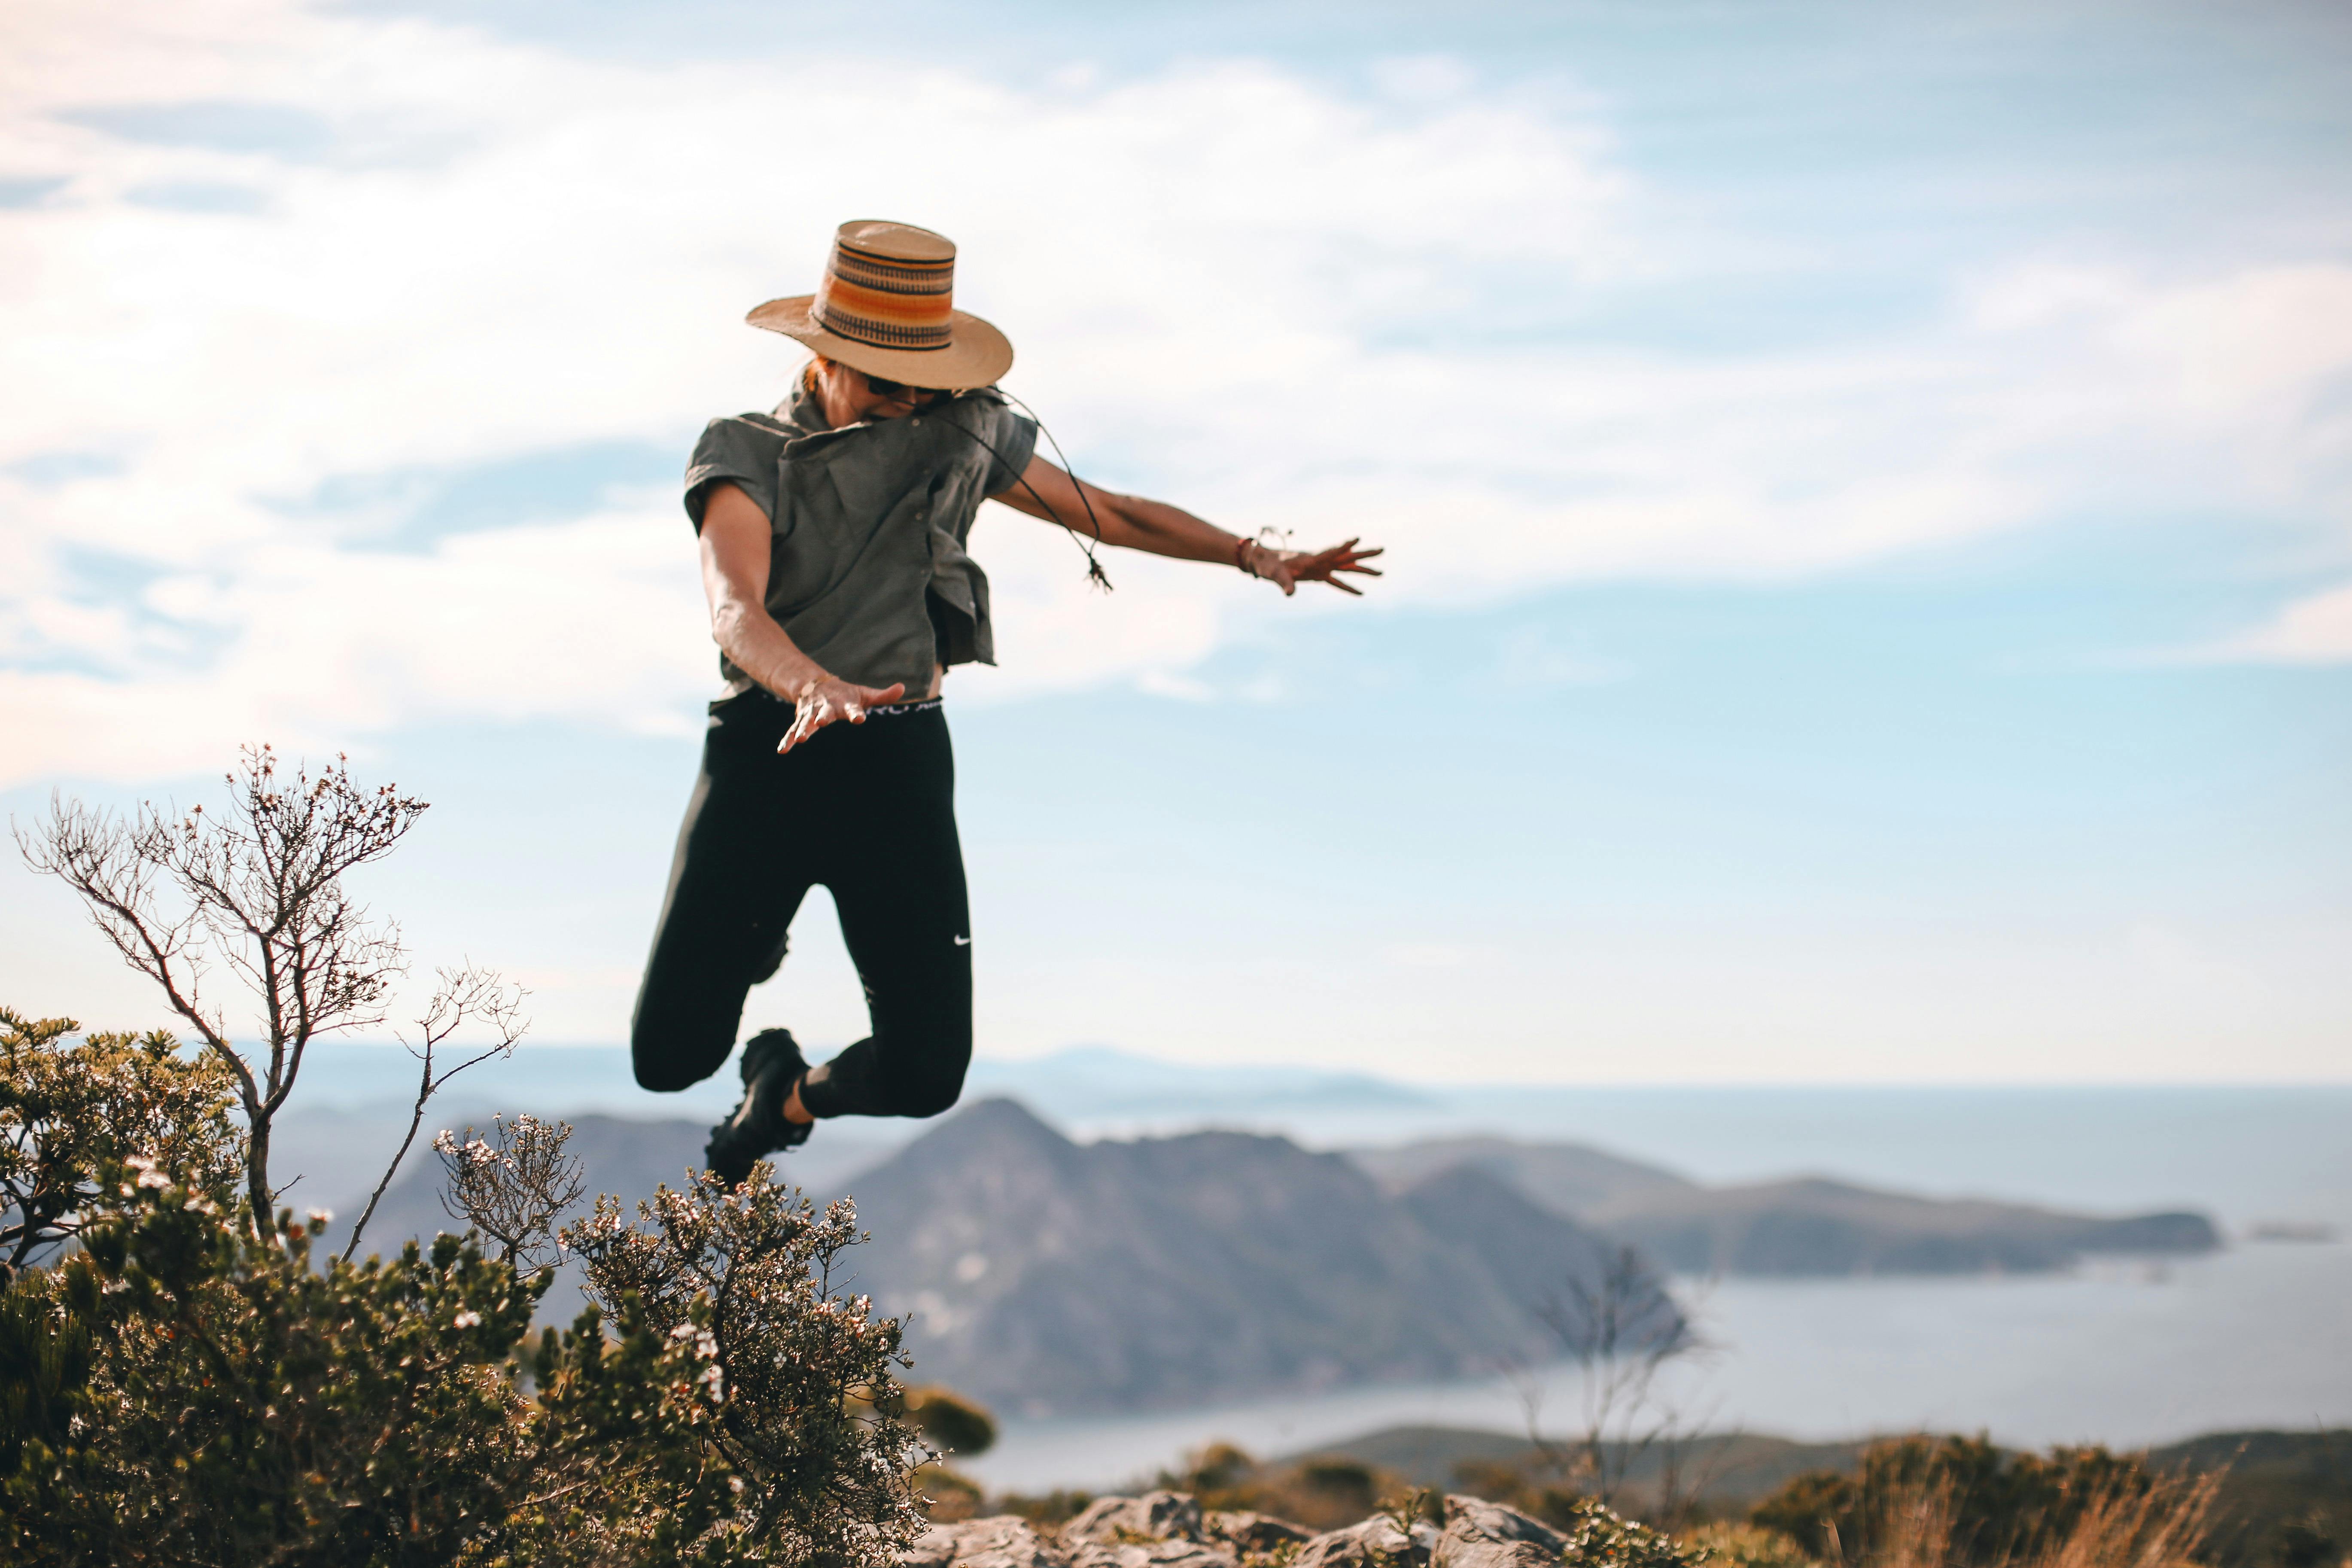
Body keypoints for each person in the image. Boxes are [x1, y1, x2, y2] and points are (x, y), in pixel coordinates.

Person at [630, 220, 1383, 1184]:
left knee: (925, 1072)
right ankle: (750, 937)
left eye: (925, 383)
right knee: (671, 1059)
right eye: (886, 382)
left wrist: (1255, 554)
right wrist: (809, 682)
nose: (910, 403)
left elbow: (1111, 512)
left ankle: (782, 1096)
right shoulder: (746, 448)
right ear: (824, 355)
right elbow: (735, 606)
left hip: (897, 756)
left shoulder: (962, 428)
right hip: (768, 751)